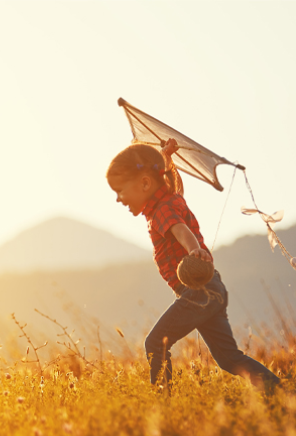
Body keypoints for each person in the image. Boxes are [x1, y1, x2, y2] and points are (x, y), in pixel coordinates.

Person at [106, 138, 280, 391]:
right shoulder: (170, 199)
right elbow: (169, 188)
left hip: (200, 293)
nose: (118, 199)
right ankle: (282, 392)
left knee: (155, 343)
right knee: (229, 358)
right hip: (212, 289)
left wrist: (194, 249)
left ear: (145, 183)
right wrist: (164, 157)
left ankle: (162, 400)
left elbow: (181, 230)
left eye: (120, 190)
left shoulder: (162, 211)